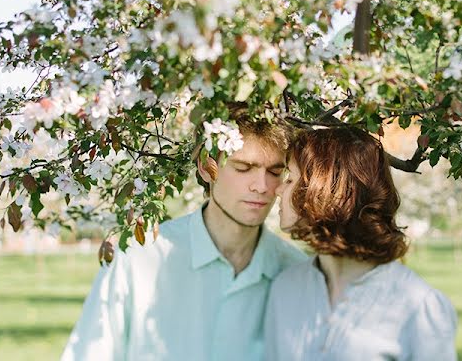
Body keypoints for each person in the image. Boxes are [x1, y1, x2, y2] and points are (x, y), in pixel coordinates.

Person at [61, 113, 305, 360]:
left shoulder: (296, 272)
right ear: (206, 168)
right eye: (243, 168)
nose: (262, 186)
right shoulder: (138, 257)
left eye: (275, 172)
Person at [265, 126, 457, 360]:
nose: (277, 190)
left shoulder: (418, 306)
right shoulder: (285, 289)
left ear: (327, 190)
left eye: (291, 179)